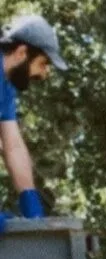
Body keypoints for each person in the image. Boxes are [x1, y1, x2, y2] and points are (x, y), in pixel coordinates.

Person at [0, 14, 68, 232]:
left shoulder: (6, 87)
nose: (44, 73)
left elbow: (13, 146)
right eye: (43, 63)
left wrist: (30, 201)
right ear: (21, 53)